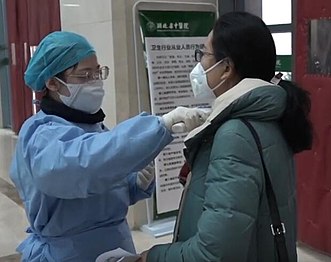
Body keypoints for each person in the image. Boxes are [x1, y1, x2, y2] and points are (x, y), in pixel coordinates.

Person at [9, 31, 209, 261]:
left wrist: (134, 183)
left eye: (98, 72)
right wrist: (160, 126)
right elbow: (83, 167)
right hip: (69, 253)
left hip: (115, 246)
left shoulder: (91, 124)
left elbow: (102, 184)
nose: (95, 81)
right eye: (84, 75)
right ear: (52, 82)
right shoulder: (41, 134)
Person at [142, 11, 313, 262]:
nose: (199, 64)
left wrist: (151, 257)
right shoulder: (269, 114)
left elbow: (215, 253)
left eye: (204, 54)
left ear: (226, 68)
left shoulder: (234, 134)